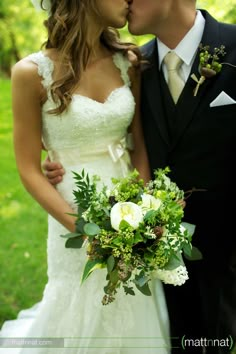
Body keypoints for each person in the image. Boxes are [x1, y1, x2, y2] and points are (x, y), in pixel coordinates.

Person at [45, 1, 236, 353]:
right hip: (148, 245)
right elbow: (116, 133)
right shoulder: (133, 64)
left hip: (224, 256)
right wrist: (61, 155)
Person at [0, 0, 170, 353]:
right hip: (70, 212)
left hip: (128, 210)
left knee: (131, 301)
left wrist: (142, 212)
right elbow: (29, 170)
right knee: (78, 303)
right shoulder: (30, 73)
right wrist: (84, 230)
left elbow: (139, 147)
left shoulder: (130, 62)